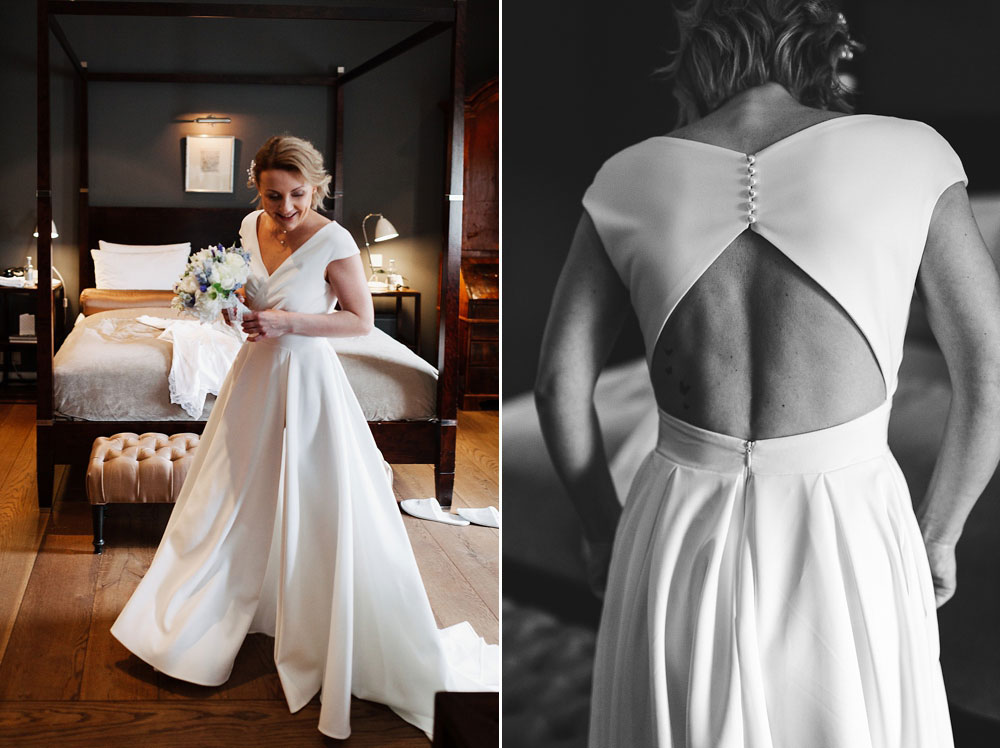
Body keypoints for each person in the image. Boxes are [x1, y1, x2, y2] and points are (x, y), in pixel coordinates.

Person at [534, 2, 1000, 746]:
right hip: (846, 518)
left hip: (679, 512)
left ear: (697, 53)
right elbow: (989, 369)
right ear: (822, 47)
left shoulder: (626, 176)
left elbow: (560, 384)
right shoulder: (913, 153)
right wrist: (938, 534)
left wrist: (600, 530)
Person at [111, 135, 497, 740]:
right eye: (272, 195)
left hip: (308, 381)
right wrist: (234, 308)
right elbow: (249, 291)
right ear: (255, 188)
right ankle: (202, 621)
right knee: (235, 495)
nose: (285, 207)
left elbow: (359, 320)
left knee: (316, 501)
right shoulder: (248, 225)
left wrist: (286, 321)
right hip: (255, 377)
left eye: (297, 195)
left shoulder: (336, 240)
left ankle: (317, 617)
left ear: (316, 188)